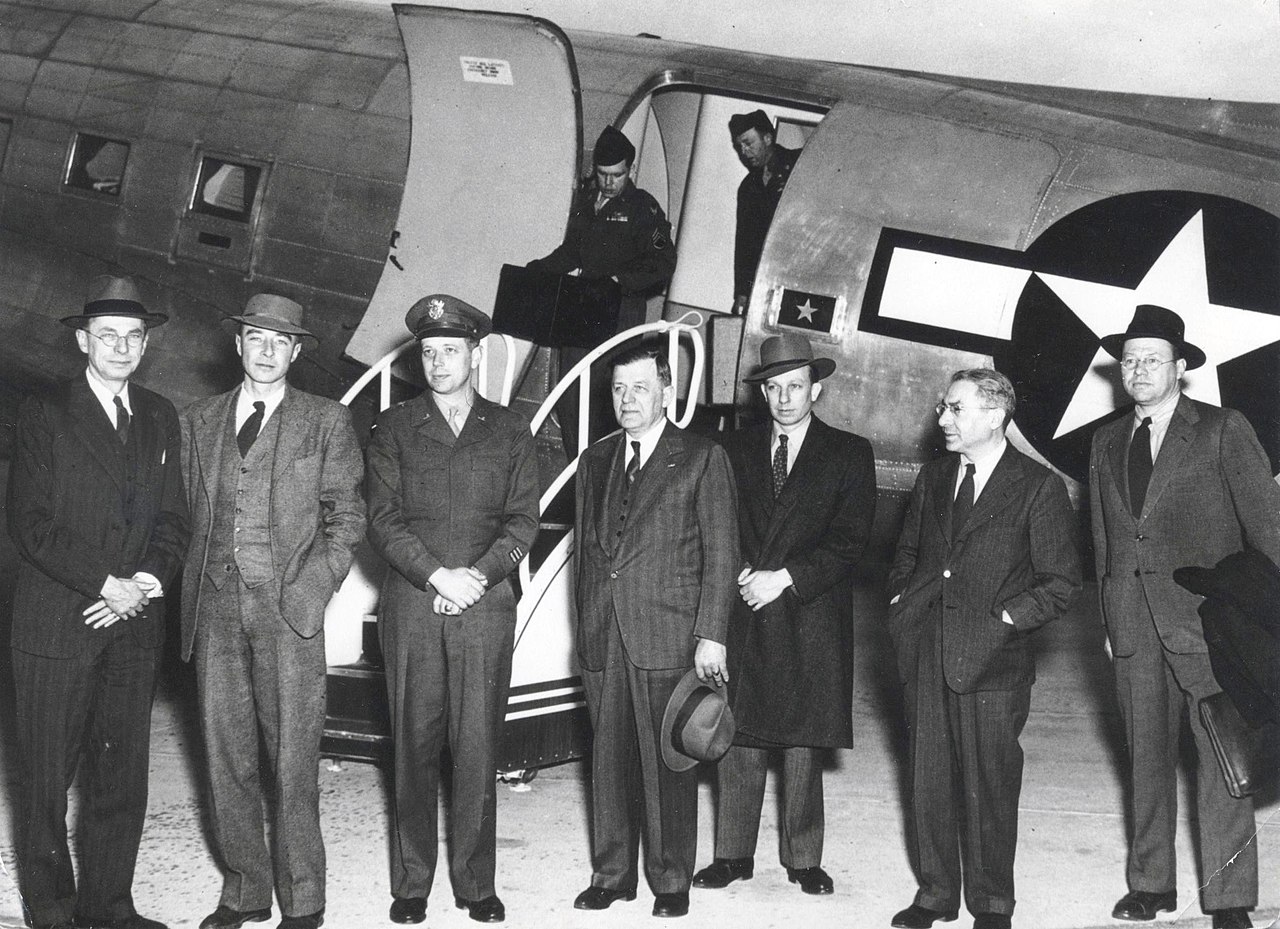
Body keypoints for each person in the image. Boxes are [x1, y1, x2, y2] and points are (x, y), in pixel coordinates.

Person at [8, 274, 191, 929]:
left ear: (145, 346)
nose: (120, 346)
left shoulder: (161, 415)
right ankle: (52, 907)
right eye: (107, 335)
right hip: (59, 622)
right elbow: (29, 522)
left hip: (134, 625)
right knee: (45, 777)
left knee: (121, 776)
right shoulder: (45, 412)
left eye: (133, 336)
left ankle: (109, 904)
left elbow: (174, 518)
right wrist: (103, 583)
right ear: (83, 340)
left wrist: (144, 582)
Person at [1089, 305, 1280, 929]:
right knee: (1144, 761)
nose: (1139, 369)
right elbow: (1104, 542)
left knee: (1224, 762)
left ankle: (1228, 901)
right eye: (1130, 360)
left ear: (1180, 368)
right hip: (1134, 630)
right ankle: (1150, 885)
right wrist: (1110, 621)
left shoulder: (1223, 430)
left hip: (1210, 628)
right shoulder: (1105, 439)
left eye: (1153, 359)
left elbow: (1268, 532)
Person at [179, 294, 365, 929]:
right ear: (238, 344)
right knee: (224, 753)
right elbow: (181, 518)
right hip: (213, 611)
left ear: (296, 351)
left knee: (293, 759)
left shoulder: (327, 420)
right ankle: (244, 892)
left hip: (289, 613)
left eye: (279, 341)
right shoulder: (197, 421)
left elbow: (347, 519)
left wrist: (308, 594)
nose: (265, 349)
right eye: (255, 337)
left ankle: (303, 899)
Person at [366, 295, 540, 926]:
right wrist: (436, 573)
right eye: (429, 352)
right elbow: (382, 520)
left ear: (475, 353)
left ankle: (476, 883)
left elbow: (524, 520)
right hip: (412, 604)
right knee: (412, 744)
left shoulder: (510, 429)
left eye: (450, 350)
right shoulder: (393, 427)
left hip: (486, 606)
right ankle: (412, 882)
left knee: (477, 744)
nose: (439, 362)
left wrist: (479, 576)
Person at [886, 369, 1080, 929]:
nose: (942, 419)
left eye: (955, 409)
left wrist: (1007, 618)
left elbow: (1061, 582)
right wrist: (903, 604)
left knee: (990, 786)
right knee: (928, 780)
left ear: (995, 416)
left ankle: (993, 904)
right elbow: (909, 554)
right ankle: (935, 895)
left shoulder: (1037, 486)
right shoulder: (933, 477)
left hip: (994, 660)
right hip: (927, 651)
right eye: (944, 408)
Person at [692, 333, 876, 896]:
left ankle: (803, 857)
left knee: (803, 738)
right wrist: (743, 574)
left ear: (815, 389)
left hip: (808, 610)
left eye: (795, 387)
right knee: (738, 735)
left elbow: (851, 541)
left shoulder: (848, 451)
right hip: (746, 608)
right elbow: (717, 527)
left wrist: (785, 577)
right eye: (773, 388)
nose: (784, 398)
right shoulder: (735, 450)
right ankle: (731, 855)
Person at [570, 342, 739, 919]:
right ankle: (612, 875)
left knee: (669, 763)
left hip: (670, 635)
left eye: (640, 387)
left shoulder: (700, 456)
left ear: (666, 391)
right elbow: (591, 558)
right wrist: (584, 633)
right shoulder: (595, 460)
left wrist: (711, 633)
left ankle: (671, 882)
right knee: (609, 761)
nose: (627, 400)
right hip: (605, 635)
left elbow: (722, 552)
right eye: (618, 389)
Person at [528, 126, 676, 451]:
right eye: (602, 174)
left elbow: (663, 260)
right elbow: (571, 251)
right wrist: (539, 269)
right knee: (570, 396)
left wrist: (620, 280)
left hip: (619, 316)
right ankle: (575, 470)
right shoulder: (586, 201)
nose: (608, 183)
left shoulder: (646, 211)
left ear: (631, 170)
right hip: (582, 311)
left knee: (605, 400)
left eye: (617, 175)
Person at [729, 109, 799, 314]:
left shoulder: (799, 166)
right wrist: (742, 292)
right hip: (764, 282)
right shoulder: (748, 186)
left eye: (748, 143)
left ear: (767, 138)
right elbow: (744, 244)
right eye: (739, 146)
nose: (743, 151)